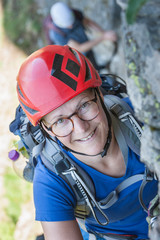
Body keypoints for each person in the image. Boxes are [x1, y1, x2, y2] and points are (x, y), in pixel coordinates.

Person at [16, 44, 157, 240]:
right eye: (60, 121)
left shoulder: (140, 118)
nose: (81, 128)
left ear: (99, 94)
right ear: (48, 129)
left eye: (84, 105)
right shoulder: (51, 180)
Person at [45, 1, 117, 70]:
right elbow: (80, 48)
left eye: (72, 23)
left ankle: (100, 67)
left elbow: (88, 22)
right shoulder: (57, 35)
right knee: (88, 66)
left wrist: (103, 32)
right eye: (67, 26)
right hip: (77, 54)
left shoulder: (75, 14)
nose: (71, 26)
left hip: (83, 40)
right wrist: (103, 37)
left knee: (92, 58)